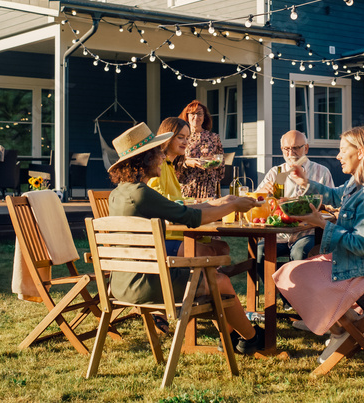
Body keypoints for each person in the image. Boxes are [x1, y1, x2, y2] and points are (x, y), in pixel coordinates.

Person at [106, 123, 265, 354]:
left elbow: (177, 208)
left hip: (120, 284)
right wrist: (234, 204)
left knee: (212, 277)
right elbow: (192, 217)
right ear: (144, 159)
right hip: (145, 285)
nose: (162, 156)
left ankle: (232, 337)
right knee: (220, 281)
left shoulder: (119, 193)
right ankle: (252, 338)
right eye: (157, 152)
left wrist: (223, 202)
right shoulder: (141, 193)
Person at [273, 126, 364, 363]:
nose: (338, 156)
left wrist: (322, 223)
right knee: (292, 270)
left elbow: (360, 244)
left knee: (294, 274)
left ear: (360, 153)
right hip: (361, 263)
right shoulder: (357, 183)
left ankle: (344, 328)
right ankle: (349, 325)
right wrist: (306, 182)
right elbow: (335, 194)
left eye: (342, 151)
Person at [253, 130, 334, 302]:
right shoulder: (276, 173)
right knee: (259, 252)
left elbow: (331, 205)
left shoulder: (321, 172)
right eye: (286, 149)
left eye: (296, 148)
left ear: (306, 148)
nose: (291, 154)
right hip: (279, 234)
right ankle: (286, 297)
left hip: (309, 232)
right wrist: (262, 196)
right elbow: (256, 205)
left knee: (299, 253)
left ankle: (298, 301)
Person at [148, 117, 228, 258]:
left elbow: (177, 199)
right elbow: (159, 200)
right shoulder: (158, 166)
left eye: (187, 137)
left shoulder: (169, 166)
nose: (186, 142)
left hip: (176, 229)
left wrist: (197, 200)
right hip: (166, 234)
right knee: (211, 252)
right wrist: (197, 203)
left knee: (222, 248)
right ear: (167, 138)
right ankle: (205, 278)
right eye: (180, 137)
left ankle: (206, 277)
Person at [176, 100, 225, 199]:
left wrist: (215, 163)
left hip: (208, 187)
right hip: (187, 186)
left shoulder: (214, 137)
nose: (196, 117)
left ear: (204, 117)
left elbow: (222, 165)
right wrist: (187, 163)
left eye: (199, 114)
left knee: (209, 213)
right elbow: (173, 163)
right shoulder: (180, 138)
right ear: (187, 116)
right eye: (193, 114)